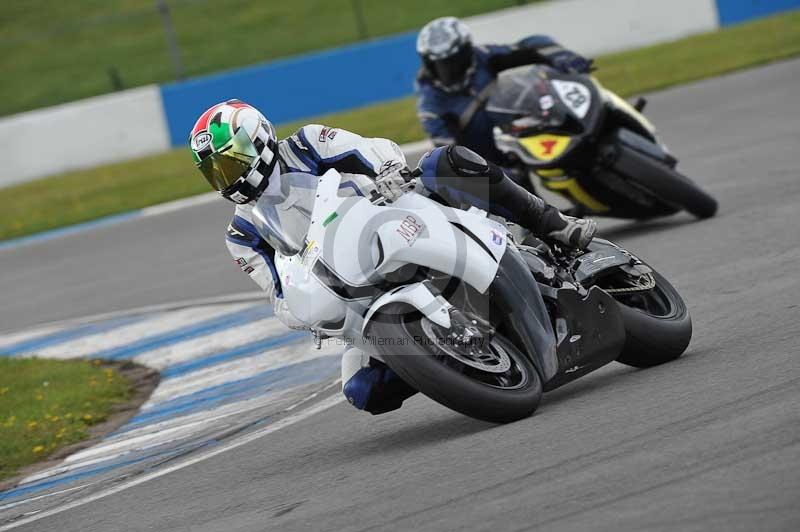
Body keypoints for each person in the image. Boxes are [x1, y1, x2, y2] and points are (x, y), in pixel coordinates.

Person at [189, 99, 596, 414]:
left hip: (395, 217)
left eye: (232, 159)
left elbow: (365, 152)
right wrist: (303, 314)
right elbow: (277, 294)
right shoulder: (241, 235)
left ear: (258, 137)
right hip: (355, 289)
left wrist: (387, 172)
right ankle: (452, 362)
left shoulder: (307, 144)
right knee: (363, 391)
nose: (229, 175)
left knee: (444, 161)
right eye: (216, 171)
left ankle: (550, 222)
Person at [416, 16, 592, 164]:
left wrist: (562, 57)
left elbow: (533, 45)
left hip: (525, 133)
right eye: (439, 65)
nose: (448, 70)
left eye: (454, 61)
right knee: (520, 200)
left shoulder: (483, 57)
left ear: (467, 51)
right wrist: (486, 172)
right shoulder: (431, 106)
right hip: (491, 165)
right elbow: (449, 153)